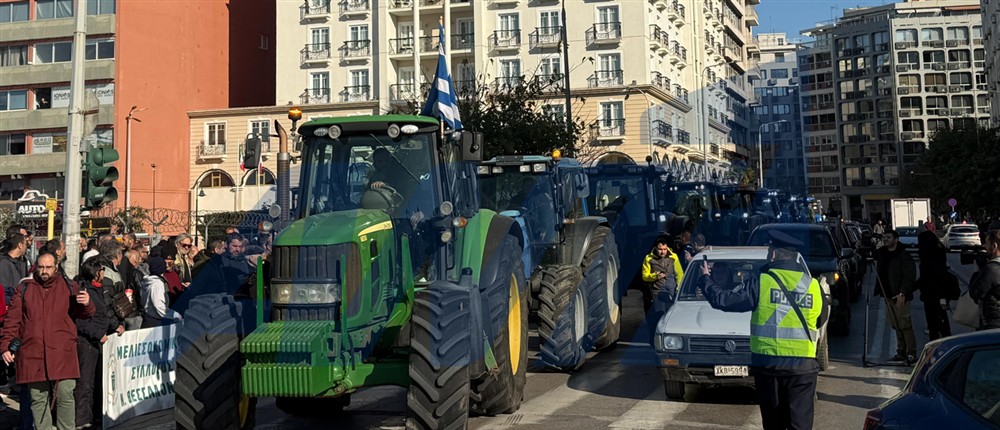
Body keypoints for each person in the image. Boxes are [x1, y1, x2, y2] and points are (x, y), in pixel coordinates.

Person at [698, 230, 827, 430]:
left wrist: (706, 279)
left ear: (773, 254)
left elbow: (724, 300)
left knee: (773, 423)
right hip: (803, 368)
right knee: (800, 425)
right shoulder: (813, 285)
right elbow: (820, 321)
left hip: (769, 365)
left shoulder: (761, 281)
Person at [1, 253, 95, 430]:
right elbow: (12, 321)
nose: (44, 271)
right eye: (41, 267)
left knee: (65, 395)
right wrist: (6, 346)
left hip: (62, 353)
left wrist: (87, 303)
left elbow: (84, 314)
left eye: (48, 267)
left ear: (56, 267)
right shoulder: (25, 288)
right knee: (38, 399)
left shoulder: (69, 286)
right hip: (33, 353)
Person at [73, 258, 109, 429]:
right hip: (87, 342)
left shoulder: (98, 290)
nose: (104, 272)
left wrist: (116, 327)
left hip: (95, 341)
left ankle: (93, 416)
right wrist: (98, 334)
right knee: (85, 382)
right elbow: (81, 321)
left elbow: (103, 314)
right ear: (96, 272)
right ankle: (81, 420)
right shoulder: (85, 292)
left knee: (94, 381)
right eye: (102, 269)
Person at [875, 229, 918, 364]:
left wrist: (903, 292)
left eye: (888, 237)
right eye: (884, 237)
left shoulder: (903, 255)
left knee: (905, 324)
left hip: (900, 295)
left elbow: (909, 275)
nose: (885, 239)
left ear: (896, 239)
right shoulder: (883, 253)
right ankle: (901, 351)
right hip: (887, 294)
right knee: (895, 324)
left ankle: (911, 353)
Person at [640, 237, 684, 335]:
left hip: (671, 291)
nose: (662, 252)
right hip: (657, 292)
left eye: (664, 249)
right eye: (660, 249)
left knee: (670, 317)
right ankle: (655, 338)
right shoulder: (649, 259)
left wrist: (678, 288)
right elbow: (645, 276)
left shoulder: (674, 257)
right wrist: (655, 276)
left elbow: (679, 274)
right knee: (658, 316)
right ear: (655, 248)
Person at [915, 231, 952, 340]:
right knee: (940, 322)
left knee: (935, 323)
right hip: (935, 293)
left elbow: (931, 277)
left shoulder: (930, 257)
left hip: (933, 294)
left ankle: (938, 345)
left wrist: (942, 297)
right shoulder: (938, 252)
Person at [969, 229, 1000, 330]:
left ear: (994, 246)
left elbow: (975, 292)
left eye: (986, 243)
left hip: (994, 323)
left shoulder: (992, 268)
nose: (984, 247)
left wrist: (979, 271)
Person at [140, 257, 178, 328]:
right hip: (154, 321)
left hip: (147, 317)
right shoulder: (157, 283)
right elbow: (159, 305)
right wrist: (173, 314)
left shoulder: (147, 281)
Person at [0, 233, 29, 308]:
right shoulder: (4, 263)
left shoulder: (21, 263)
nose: (27, 247)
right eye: (25, 244)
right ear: (20, 245)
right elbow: (3, 288)